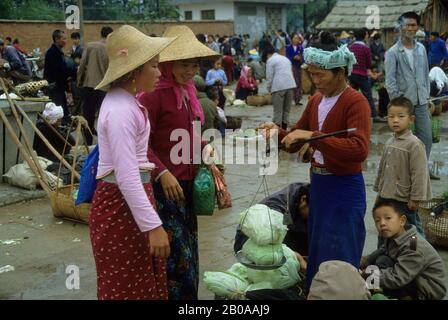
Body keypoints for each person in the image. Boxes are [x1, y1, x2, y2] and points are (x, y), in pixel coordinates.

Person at [259, 32, 371, 287]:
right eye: (312, 74)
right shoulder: (316, 100)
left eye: (321, 75)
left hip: (344, 188)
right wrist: (277, 134)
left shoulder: (356, 102)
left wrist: (314, 137)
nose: (315, 80)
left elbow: (358, 149)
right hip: (319, 187)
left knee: (341, 250)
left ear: (341, 73)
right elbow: (296, 138)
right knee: (320, 248)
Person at [89, 25, 175, 300]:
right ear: (135, 70)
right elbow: (126, 176)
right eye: (154, 66)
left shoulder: (126, 103)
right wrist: (154, 226)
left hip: (129, 203)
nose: (159, 73)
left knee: (140, 283)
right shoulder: (120, 110)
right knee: (127, 287)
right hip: (119, 205)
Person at [137, 25, 217, 300]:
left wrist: (205, 149)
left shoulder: (187, 92)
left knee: (188, 254)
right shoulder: (152, 96)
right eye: (184, 64)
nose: (191, 70)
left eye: (194, 64)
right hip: (162, 191)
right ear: (167, 64)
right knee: (171, 257)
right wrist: (162, 173)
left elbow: (188, 136)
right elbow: (138, 146)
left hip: (185, 187)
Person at [385, 12, 438, 180]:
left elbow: (424, 74)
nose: (409, 28)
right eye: (406, 25)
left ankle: (421, 170)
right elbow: (390, 80)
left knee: (426, 138)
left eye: (413, 25)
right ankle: (402, 172)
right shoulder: (393, 52)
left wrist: (427, 96)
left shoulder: (421, 49)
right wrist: (398, 102)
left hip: (421, 101)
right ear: (401, 27)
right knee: (402, 140)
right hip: (403, 103)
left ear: (418, 27)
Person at [360, 199, 447, 300]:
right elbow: (379, 252)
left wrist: (368, 276)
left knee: (382, 262)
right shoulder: (396, 236)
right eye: (377, 220)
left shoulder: (413, 245)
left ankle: (406, 297)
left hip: (427, 291)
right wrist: (360, 262)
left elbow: (397, 277)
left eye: (388, 218)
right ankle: (377, 290)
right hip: (412, 278)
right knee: (379, 259)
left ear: (402, 221)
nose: (382, 223)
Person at [374, 96, 432, 245]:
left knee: (411, 230)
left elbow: (419, 173)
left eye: (401, 117)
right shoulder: (389, 141)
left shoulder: (414, 144)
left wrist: (415, 197)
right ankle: (384, 255)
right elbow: (382, 169)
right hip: (387, 197)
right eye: (391, 117)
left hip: (404, 200)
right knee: (385, 227)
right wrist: (379, 192)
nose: (395, 120)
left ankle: (420, 254)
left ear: (411, 119)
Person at [234, 182, 310, 256]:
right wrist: (295, 256)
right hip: (247, 244)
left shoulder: (308, 192)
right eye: (312, 213)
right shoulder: (276, 211)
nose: (313, 217)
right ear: (303, 199)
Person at [77, 26, 113, 145]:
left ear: (101, 34)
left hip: (89, 85)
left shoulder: (90, 46)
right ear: (110, 35)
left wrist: (79, 81)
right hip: (104, 88)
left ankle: (87, 143)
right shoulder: (111, 49)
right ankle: (105, 144)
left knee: (88, 116)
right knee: (104, 117)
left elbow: (82, 66)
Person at [349, 28, 384, 123]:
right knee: (368, 95)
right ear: (365, 35)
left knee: (351, 96)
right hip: (362, 75)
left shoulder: (351, 47)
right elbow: (368, 64)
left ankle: (350, 114)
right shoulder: (365, 48)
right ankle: (375, 116)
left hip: (352, 74)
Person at [262, 46, 296, 130]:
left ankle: (276, 134)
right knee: (286, 111)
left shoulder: (270, 60)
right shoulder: (285, 59)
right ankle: (284, 131)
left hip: (278, 87)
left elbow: (269, 77)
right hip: (290, 85)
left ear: (267, 55)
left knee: (278, 111)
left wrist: (269, 89)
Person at [44, 30, 70, 118]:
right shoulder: (53, 52)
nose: (66, 41)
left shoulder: (58, 52)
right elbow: (59, 71)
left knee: (62, 111)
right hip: (54, 87)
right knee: (57, 112)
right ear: (56, 39)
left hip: (59, 87)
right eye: (64, 39)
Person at [286, 33, 305, 105]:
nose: (296, 40)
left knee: (299, 82)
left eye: (297, 38)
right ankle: (292, 98)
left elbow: (303, 57)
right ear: (291, 39)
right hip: (291, 67)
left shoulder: (300, 48)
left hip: (299, 67)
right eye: (294, 38)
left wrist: (300, 58)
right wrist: (293, 57)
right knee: (293, 83)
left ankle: (298, 99)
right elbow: (287, 57)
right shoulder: (288, 48)